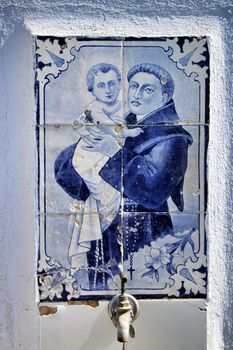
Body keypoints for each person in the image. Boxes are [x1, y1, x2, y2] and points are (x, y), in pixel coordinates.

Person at [55, 63, 193, 289]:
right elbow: (67, 169)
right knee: (100, 290)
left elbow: (152, 192)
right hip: (106, 227)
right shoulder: (121, 122)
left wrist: (114, 152)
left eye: (147, 89)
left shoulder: (173, 138)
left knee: (144, 292)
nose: (136, 95)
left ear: (164, 96)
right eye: (134, 86)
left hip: (144, 230)